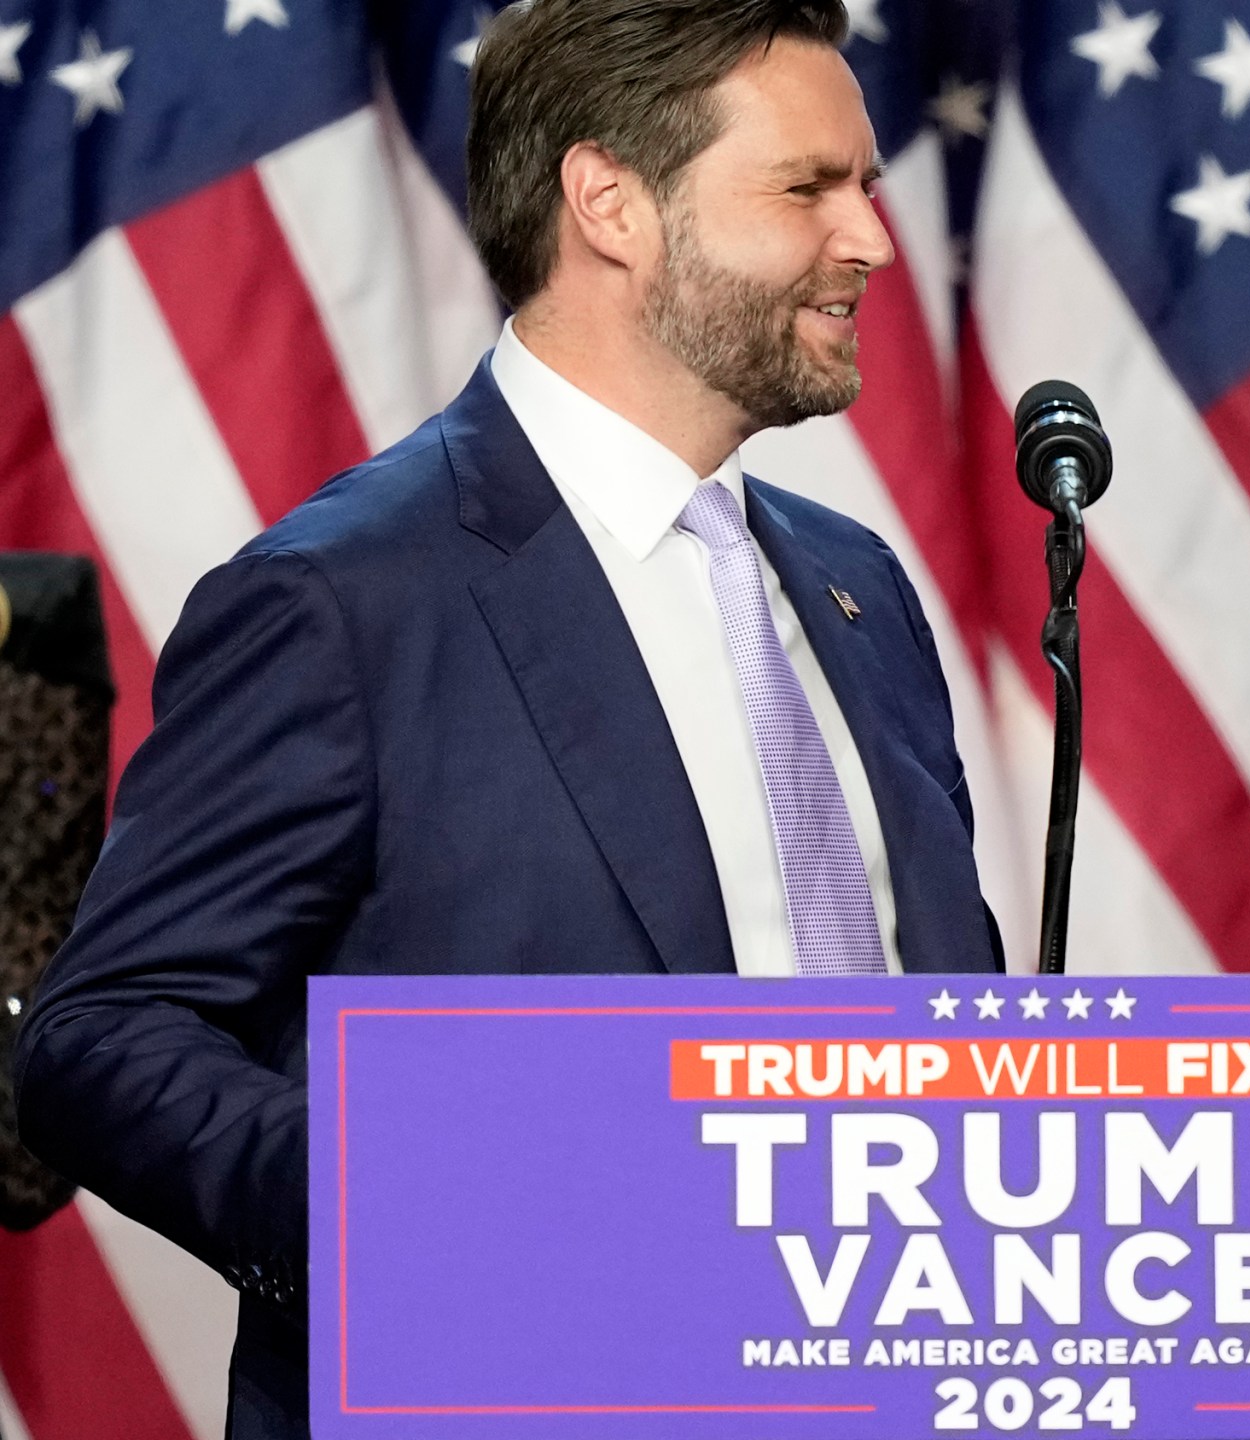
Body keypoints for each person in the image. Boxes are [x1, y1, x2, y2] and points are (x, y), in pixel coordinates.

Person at [12, 3, 1000, 1435]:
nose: (870, 242)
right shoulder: (344, 599)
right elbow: (101, 1038)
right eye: (808, 187)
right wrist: (442, 1234)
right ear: (610, 203)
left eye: (866, 185)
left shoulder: (856, 590)